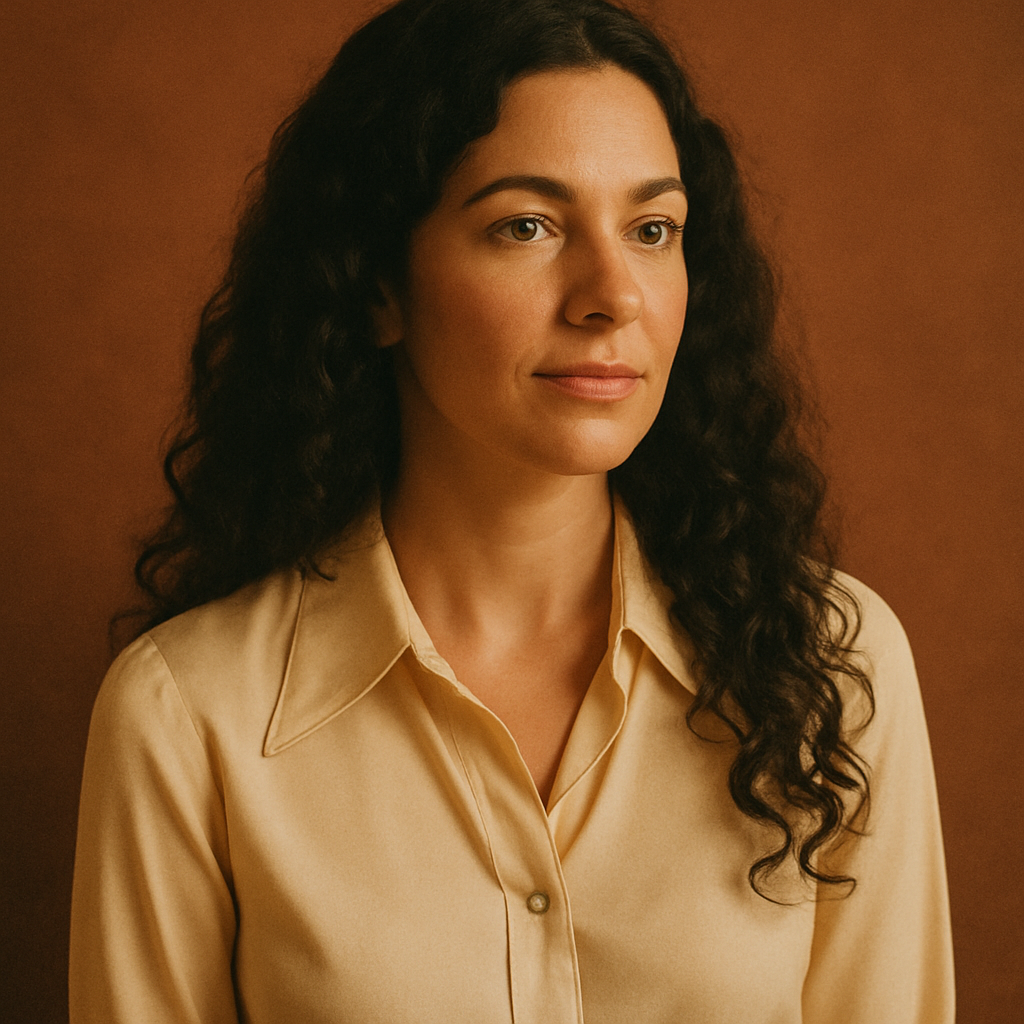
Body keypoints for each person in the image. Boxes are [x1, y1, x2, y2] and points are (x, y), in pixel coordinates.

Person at [69, 0, 955, 1020]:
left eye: (652, 228)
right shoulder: (188, 716)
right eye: (525, 225)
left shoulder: (837, 670)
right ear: (376, 288)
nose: (610, 294)